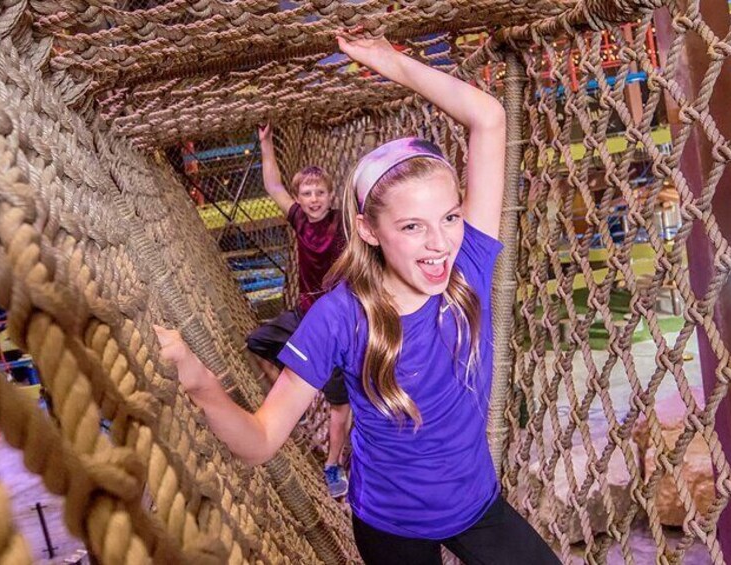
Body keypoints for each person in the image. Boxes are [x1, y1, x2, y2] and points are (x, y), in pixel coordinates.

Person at [156, 36, 558, 564]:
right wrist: (200, 382)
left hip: (477, 506)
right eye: (413, 226)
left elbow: (487, 118)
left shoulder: (468, 268)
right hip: (391, 526)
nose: (440, 243)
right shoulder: (338, 318)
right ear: (368, 230)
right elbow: (259, 441)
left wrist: (395, 64)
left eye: (450, 217)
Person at [244, 123, 351, 498]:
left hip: (338, 321)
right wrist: (266, 143)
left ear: (330, 194)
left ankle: (334, 466)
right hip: (307, 314)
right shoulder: (298, 219)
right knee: (257, 341)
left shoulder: (343, 222)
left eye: (320, 192)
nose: (314, 199)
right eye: (307, 193)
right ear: (300, 199)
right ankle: (298, 395)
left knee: (340, 404)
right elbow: (273, 186)